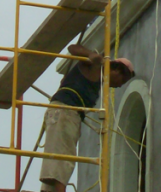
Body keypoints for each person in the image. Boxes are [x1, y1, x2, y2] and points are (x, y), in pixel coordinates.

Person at [38, 44, 135, 192]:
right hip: (65, 112)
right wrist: (93, 56)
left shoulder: (97, 78)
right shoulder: (95, 67)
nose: (119, 86)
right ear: (116, 70)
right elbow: (72, 48)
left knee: (60, 156)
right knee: (63, 157)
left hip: (69, 114)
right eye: (122, 81)